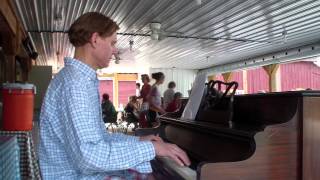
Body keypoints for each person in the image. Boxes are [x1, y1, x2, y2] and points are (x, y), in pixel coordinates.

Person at [38, 12, 190, 179]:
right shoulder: (75, 85)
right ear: (95, 39)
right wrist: (152, 149)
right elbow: (90, 157)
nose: (115, 50)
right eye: (112, 43)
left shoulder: (79, 79)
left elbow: (100, 138)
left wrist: (139, 141)